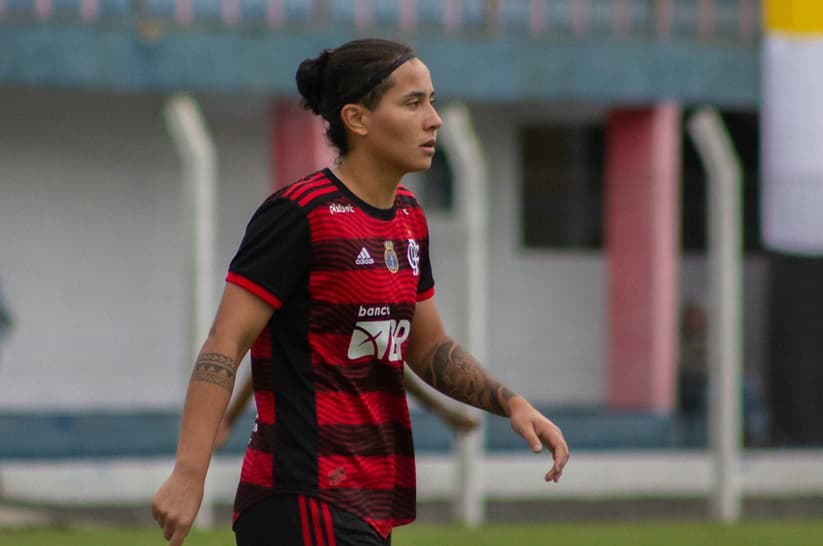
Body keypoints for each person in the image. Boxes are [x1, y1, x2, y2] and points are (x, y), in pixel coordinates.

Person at [152, 38, 569, 546]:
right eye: (414, 103)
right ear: (357, 119)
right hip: (303, 495)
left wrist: (511, 403)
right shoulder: (299, 214)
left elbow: (429, 346)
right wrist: (189, 473)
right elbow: (224, 344)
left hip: (368, 501)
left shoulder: (411, 220)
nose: (434, 119)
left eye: (432, 101)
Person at [214, 364, 480, 449]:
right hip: (301, 447)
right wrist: (229, 419)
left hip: (359, 449)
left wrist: (445, 413)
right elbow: (260, 364)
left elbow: (395, 370)